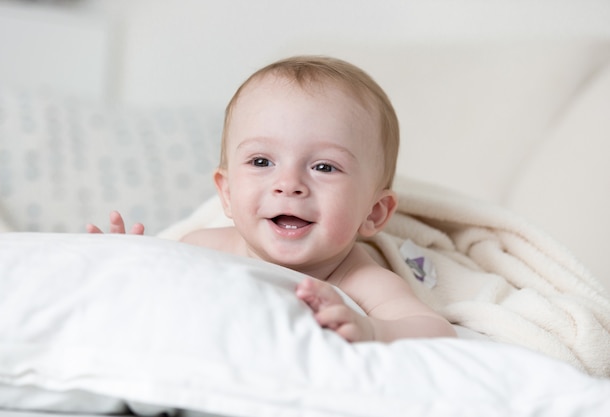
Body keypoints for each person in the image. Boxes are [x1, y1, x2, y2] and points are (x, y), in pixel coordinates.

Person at [87, 55, 457, 342]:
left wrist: (373, 330)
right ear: (228, 194)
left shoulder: (358, 279)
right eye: (262, 161)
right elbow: (159, 295)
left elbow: (432, 329)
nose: (289, 184)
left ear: (374, 213)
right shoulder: (203, 248)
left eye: (325, 167)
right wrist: (127, 264)